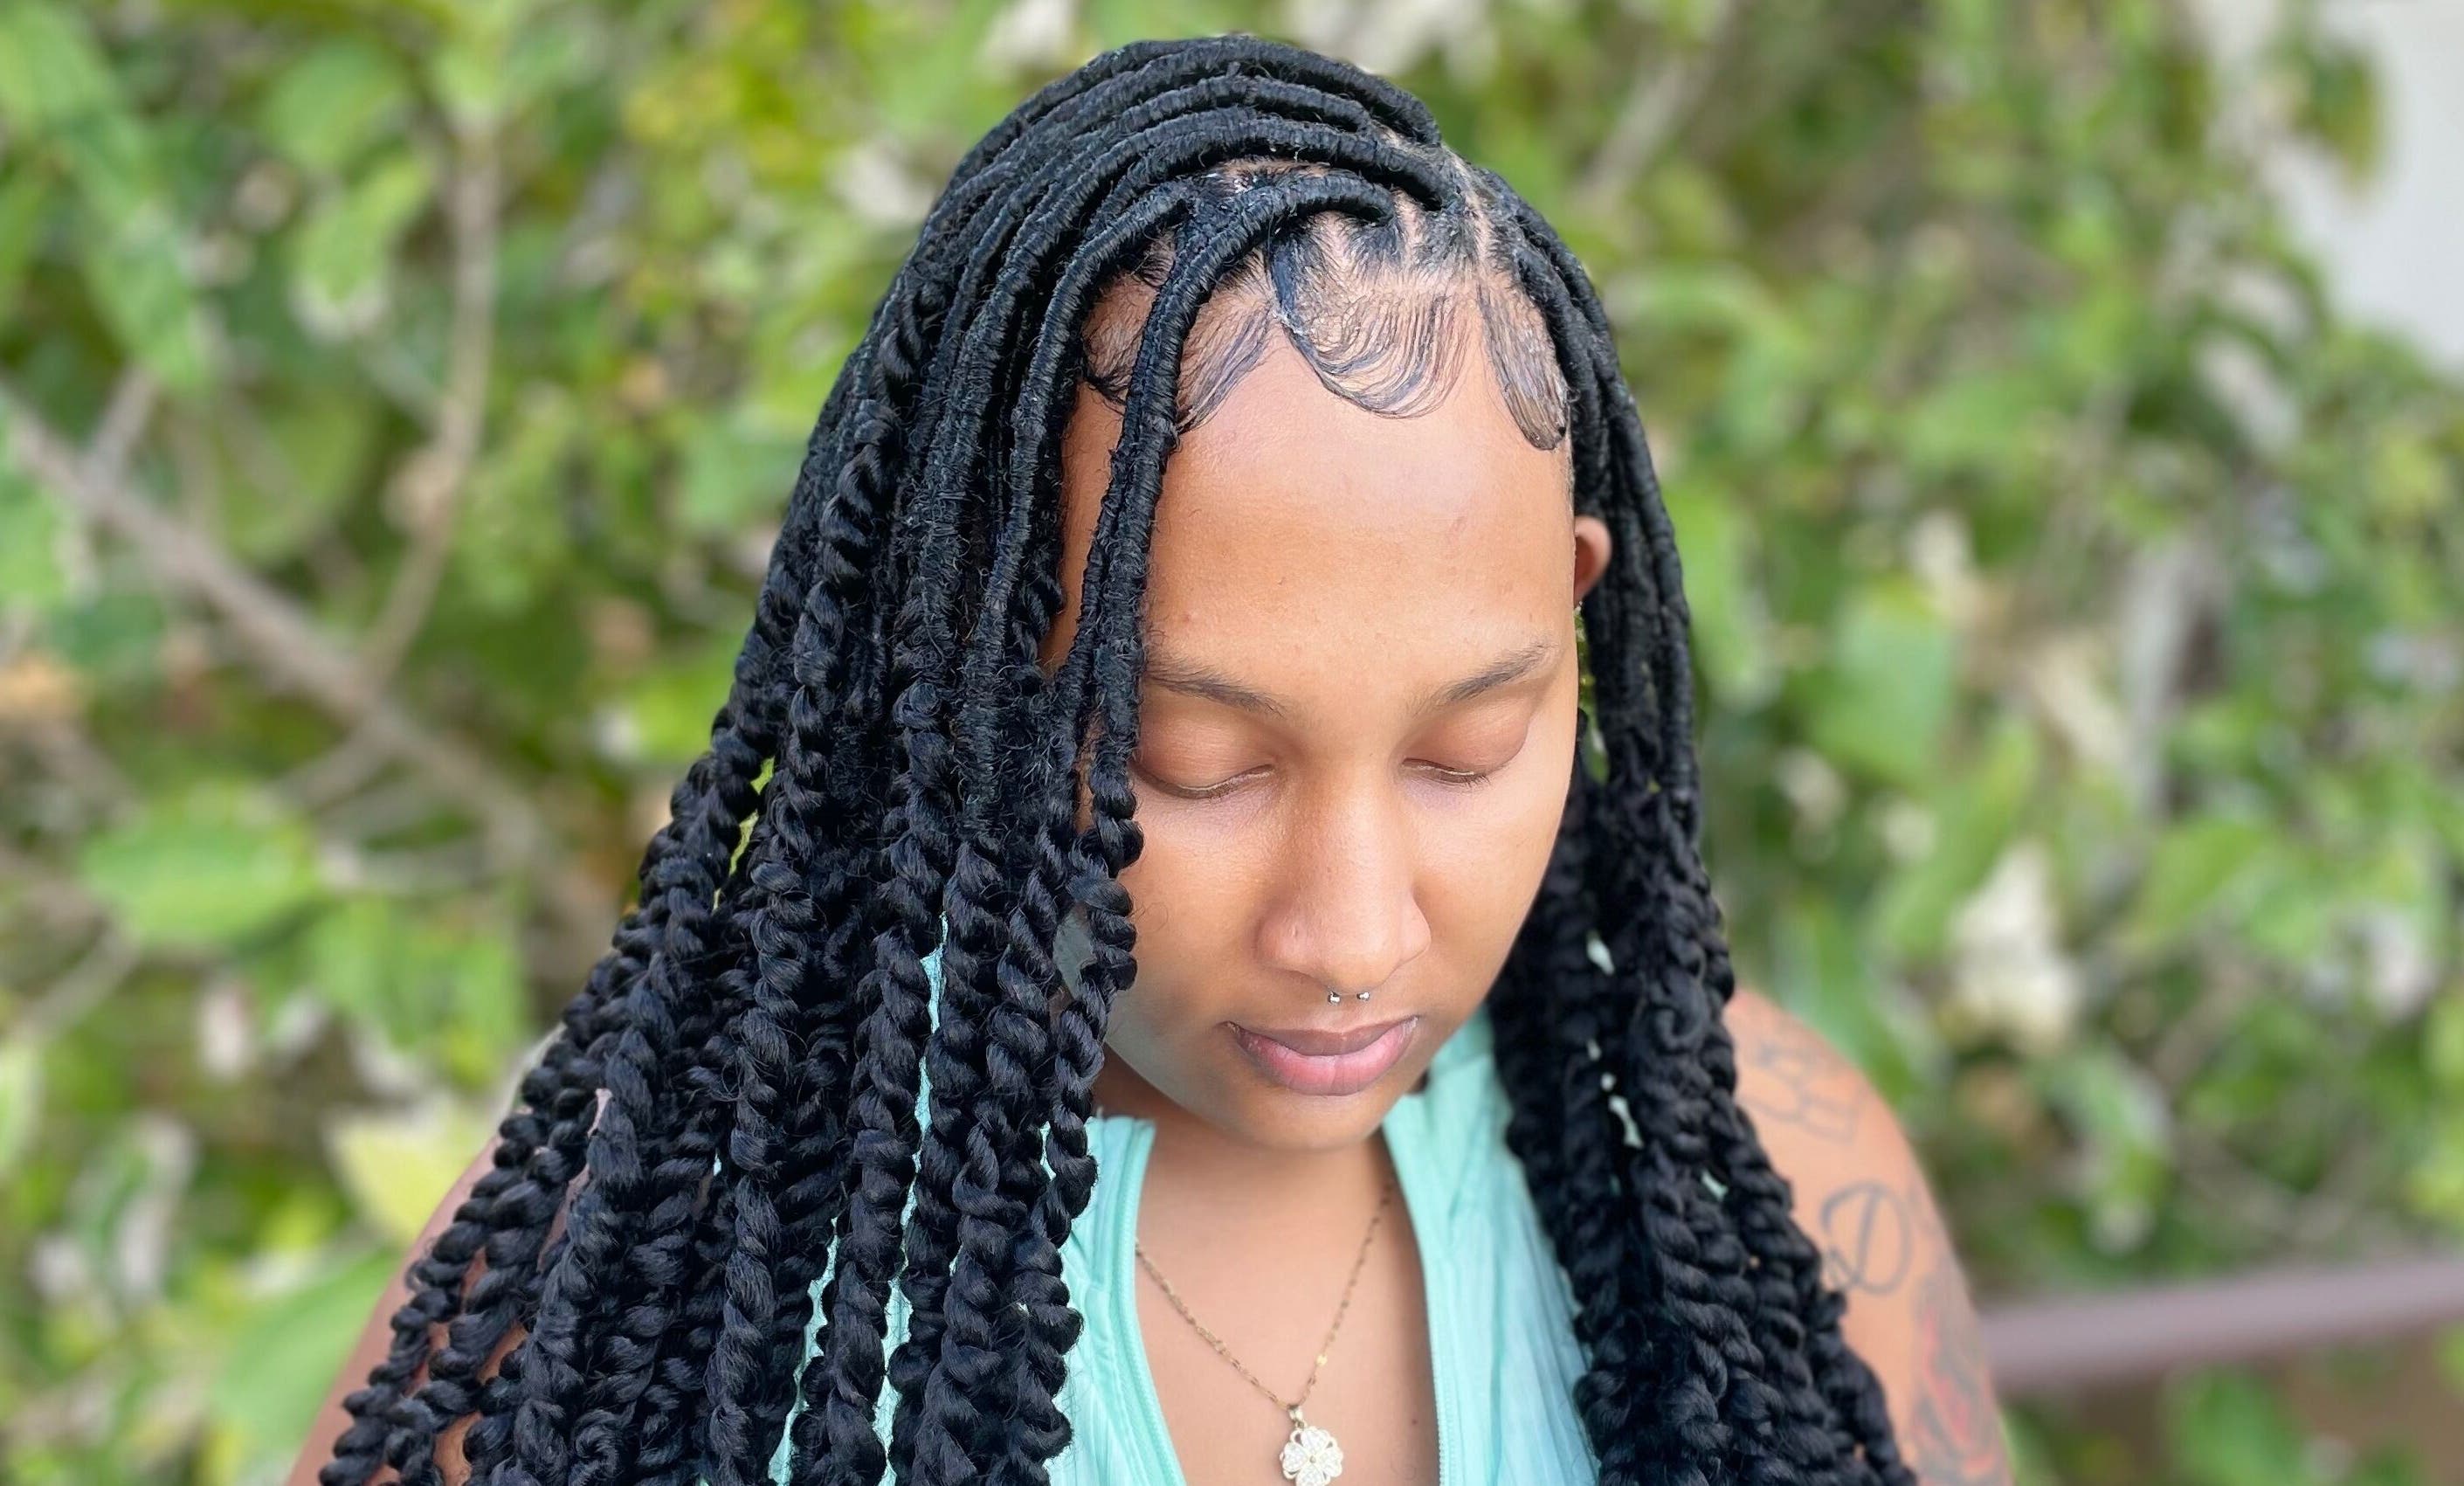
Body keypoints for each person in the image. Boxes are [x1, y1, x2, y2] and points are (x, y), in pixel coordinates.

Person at [293, 32, 2008, 1486]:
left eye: (1466, 749)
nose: (1351, 934)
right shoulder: (624, 1280)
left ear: (1573, 621)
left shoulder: (1763, 1188)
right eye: (1197, 765)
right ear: (974, 672)